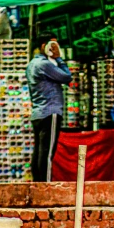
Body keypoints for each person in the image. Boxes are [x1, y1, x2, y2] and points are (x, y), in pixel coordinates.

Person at [26, 32, 72, 181]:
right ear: (44, 46)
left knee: (39, 151)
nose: (55, 48)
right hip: (50, 112)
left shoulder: (32, 64)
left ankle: (37, 184)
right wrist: (59, 58)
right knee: (47, 152)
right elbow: (67, 77)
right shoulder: (44, 64)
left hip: (39, 113)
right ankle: (45, 185)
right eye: (53, 45)